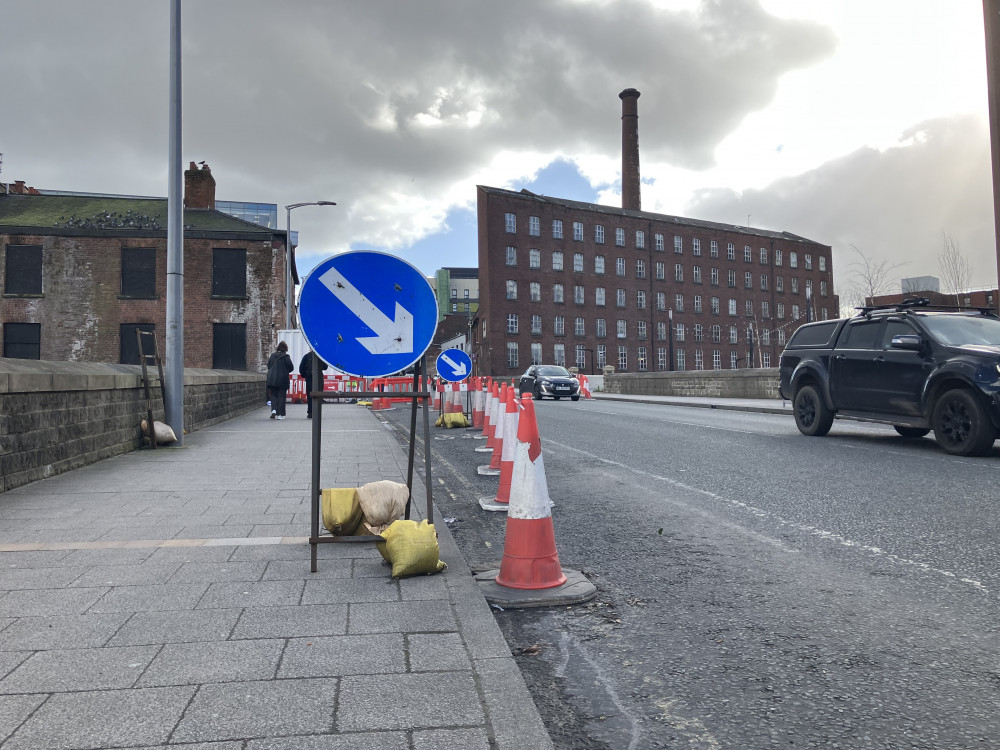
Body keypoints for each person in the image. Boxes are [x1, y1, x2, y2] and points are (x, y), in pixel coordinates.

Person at [266, 341, 294, 420]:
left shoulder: (272, 356)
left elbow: (269, 366)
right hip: (282, 380)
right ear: (285, 349)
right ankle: (280, 415)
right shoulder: (286, 357)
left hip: (272, 379)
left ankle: (273, 410)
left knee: (273, 395)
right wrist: (285, 371)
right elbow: (291, 368)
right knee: (281, 396)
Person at [298, 350, 328, 418]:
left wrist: (305, 375)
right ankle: (317, 412)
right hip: (319, 379)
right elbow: (325, 367)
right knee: (319, 396)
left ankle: (310, 412)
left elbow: (301, 368)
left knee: (310, 396)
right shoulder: (320, 356)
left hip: (309, 378)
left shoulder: (306, 356)